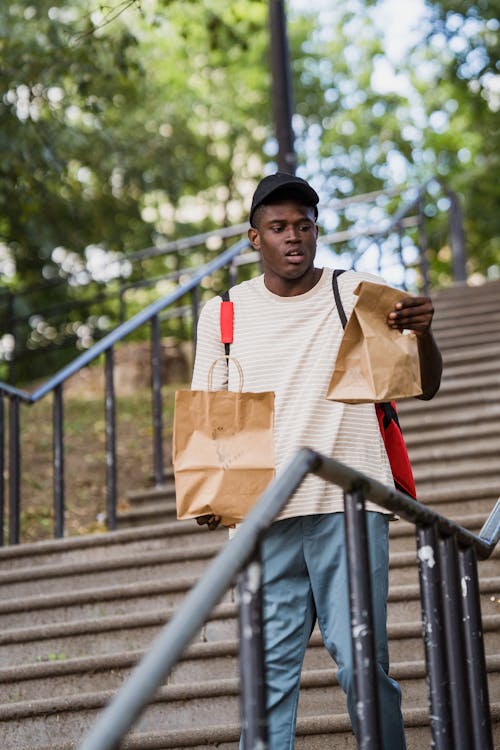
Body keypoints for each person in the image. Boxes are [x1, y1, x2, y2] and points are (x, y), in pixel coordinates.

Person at [191, 172, 442, 749]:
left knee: (362, 666)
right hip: (263, 517)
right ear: (254, 238)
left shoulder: (355, 290)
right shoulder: (224, 313)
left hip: (348, 506)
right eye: (277, 227)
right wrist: (211, 494)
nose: (293, 237)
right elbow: (214, 413)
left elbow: (423, 385)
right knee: (267, 681)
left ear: (317, 230)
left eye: (304, 225)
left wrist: (424, 336)